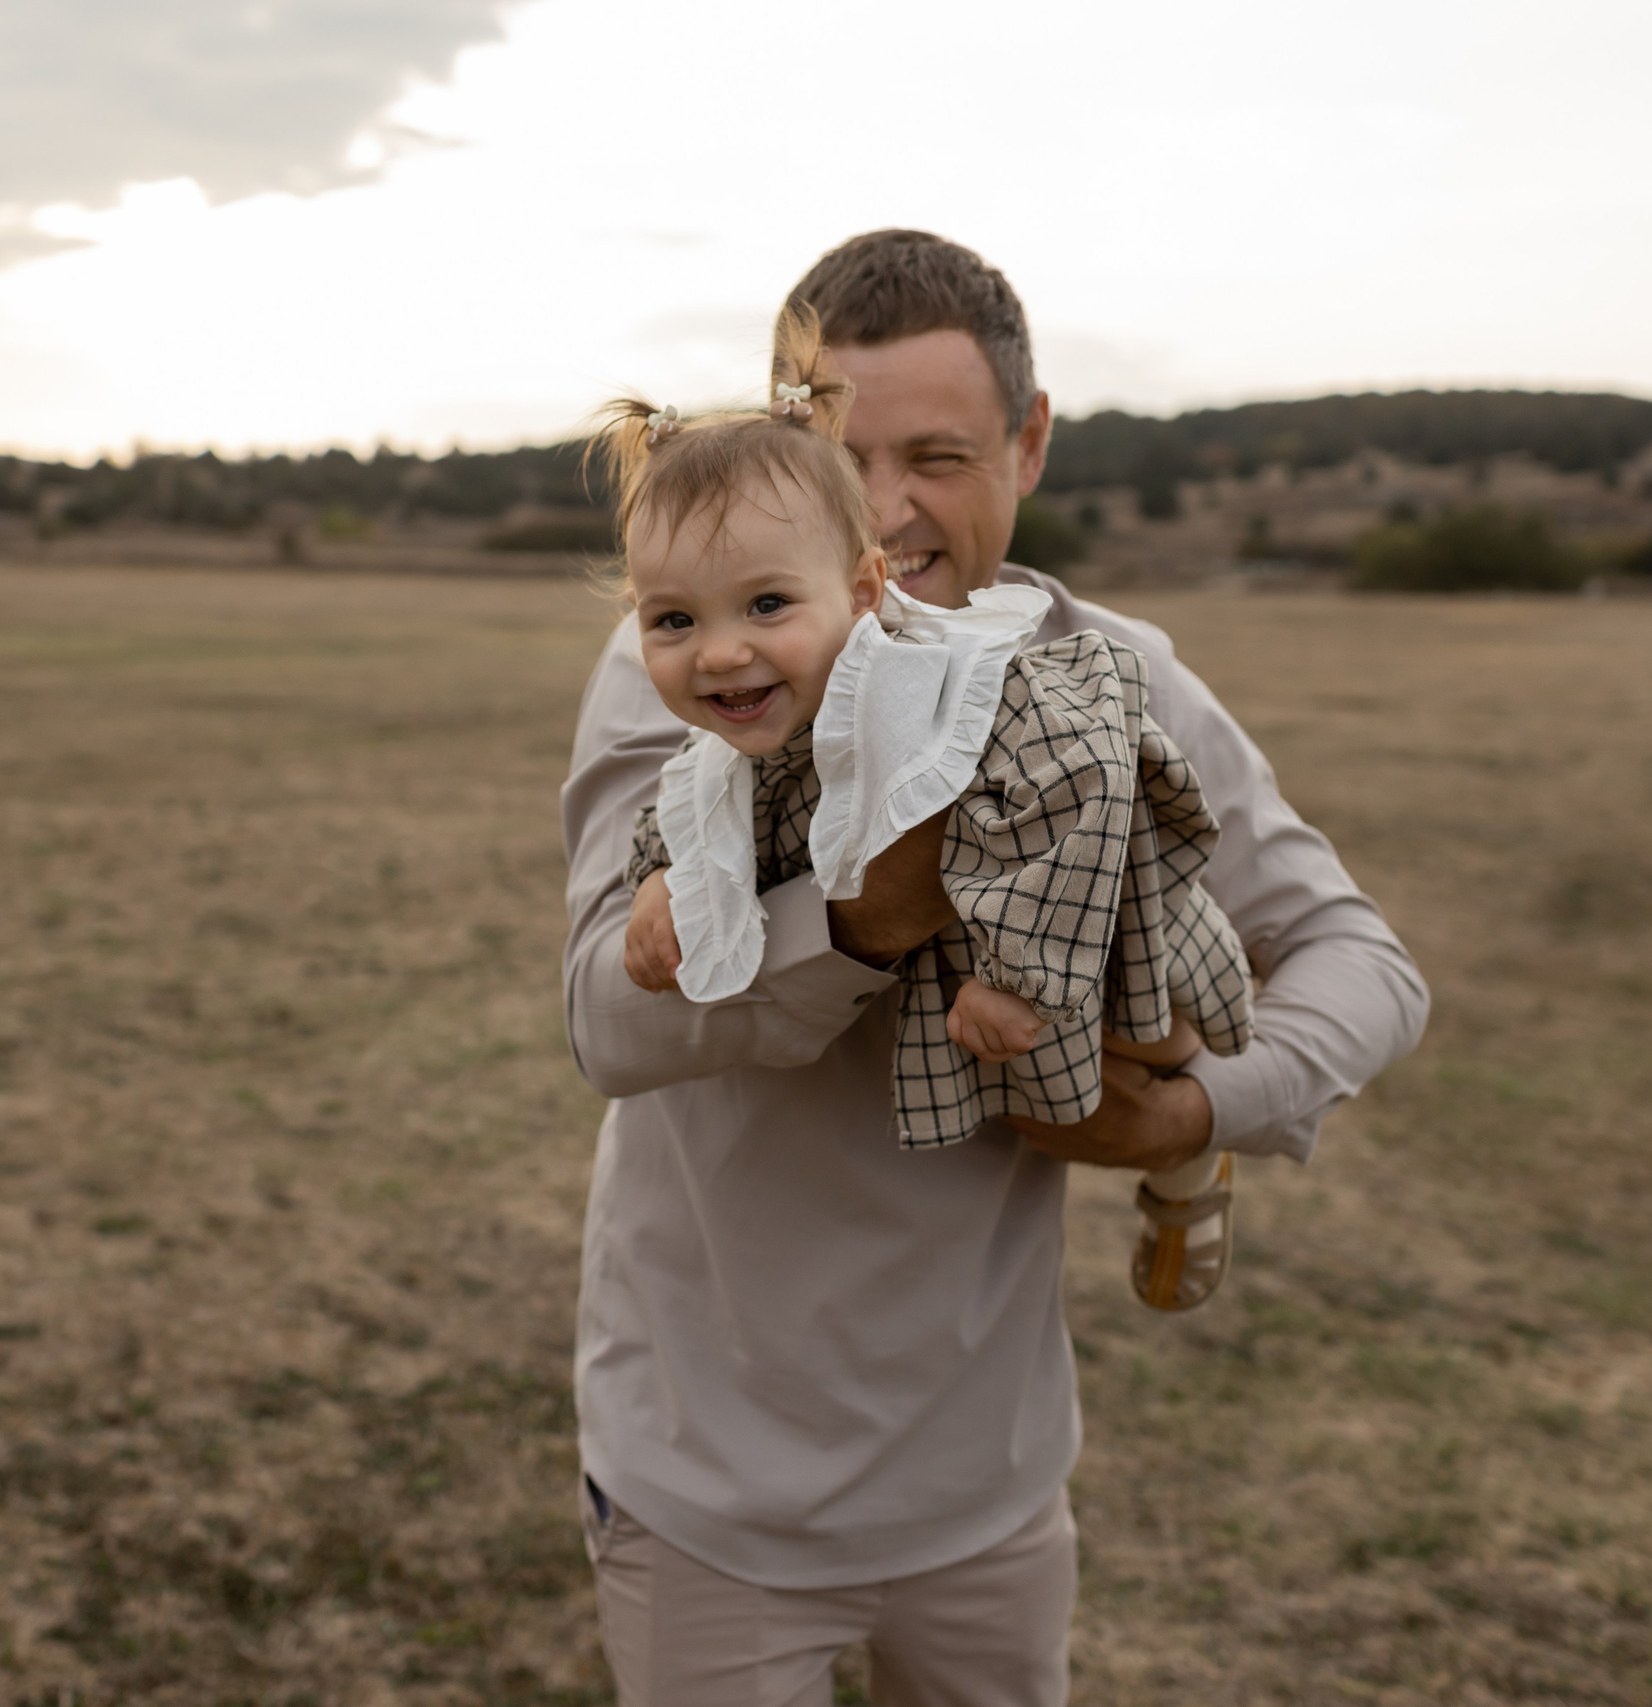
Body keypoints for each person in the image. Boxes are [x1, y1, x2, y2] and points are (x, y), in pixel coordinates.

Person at [559, 229, 1428, 1704]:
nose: (884, 513)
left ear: (1028, 443)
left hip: (989, 1485)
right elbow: (606, 1024)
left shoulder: (1108, 672)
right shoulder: (708, 664)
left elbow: (1363, 958)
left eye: (940, 456)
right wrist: (860, 922)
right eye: (839, 446)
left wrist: (1192, 1117)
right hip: (706, 1482)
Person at [600, 306, 1257, 1313]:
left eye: (766, 606)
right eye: (674, 621)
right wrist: (661, 877)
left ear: (862, 592)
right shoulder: (748, 716)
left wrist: (1025, 976)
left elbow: (1076, 786)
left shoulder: (958, 687)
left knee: (1153, 1038)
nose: (720, 651)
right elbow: (699, 793)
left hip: (1110, 935)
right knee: (1026, 1087)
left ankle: (1183, 1175)